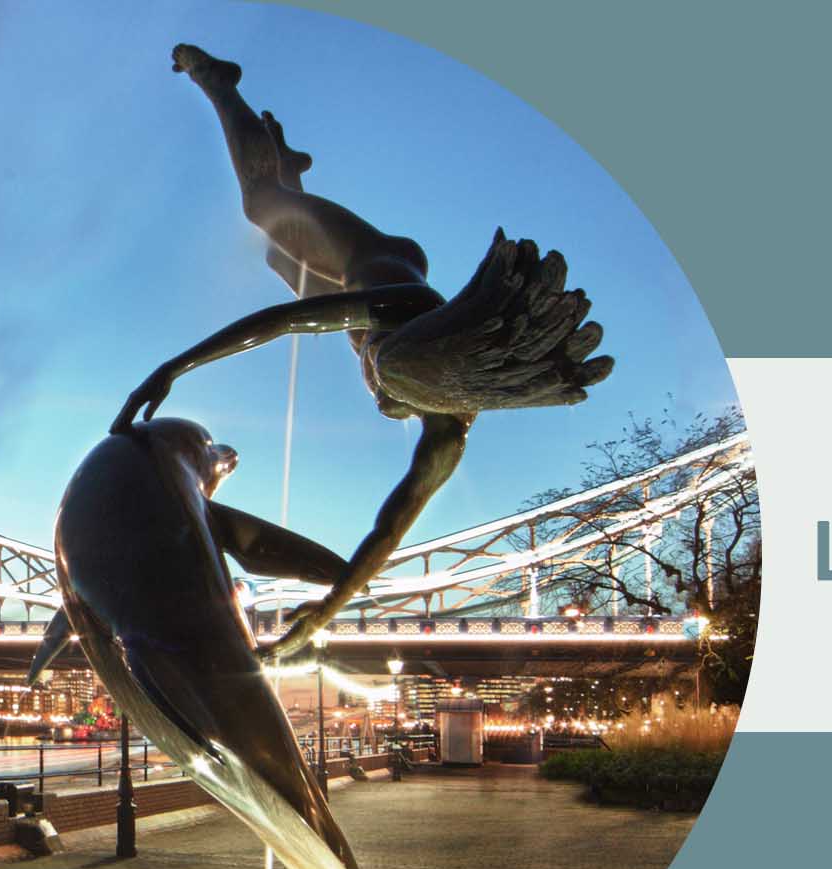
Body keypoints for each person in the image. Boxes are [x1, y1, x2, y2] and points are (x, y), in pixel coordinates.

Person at [119, 44, 613, 660]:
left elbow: (387, 529)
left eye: (391, 397)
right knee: (261, 204)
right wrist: (175, 367)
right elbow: (283, 324)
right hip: (369, 256)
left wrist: (325, 613)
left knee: (280, 258)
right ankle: (221, 84)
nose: (379, 395)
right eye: (382, 375)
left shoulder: (448, 431)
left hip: (363, 281)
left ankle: (291, 168)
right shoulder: (397, 306)